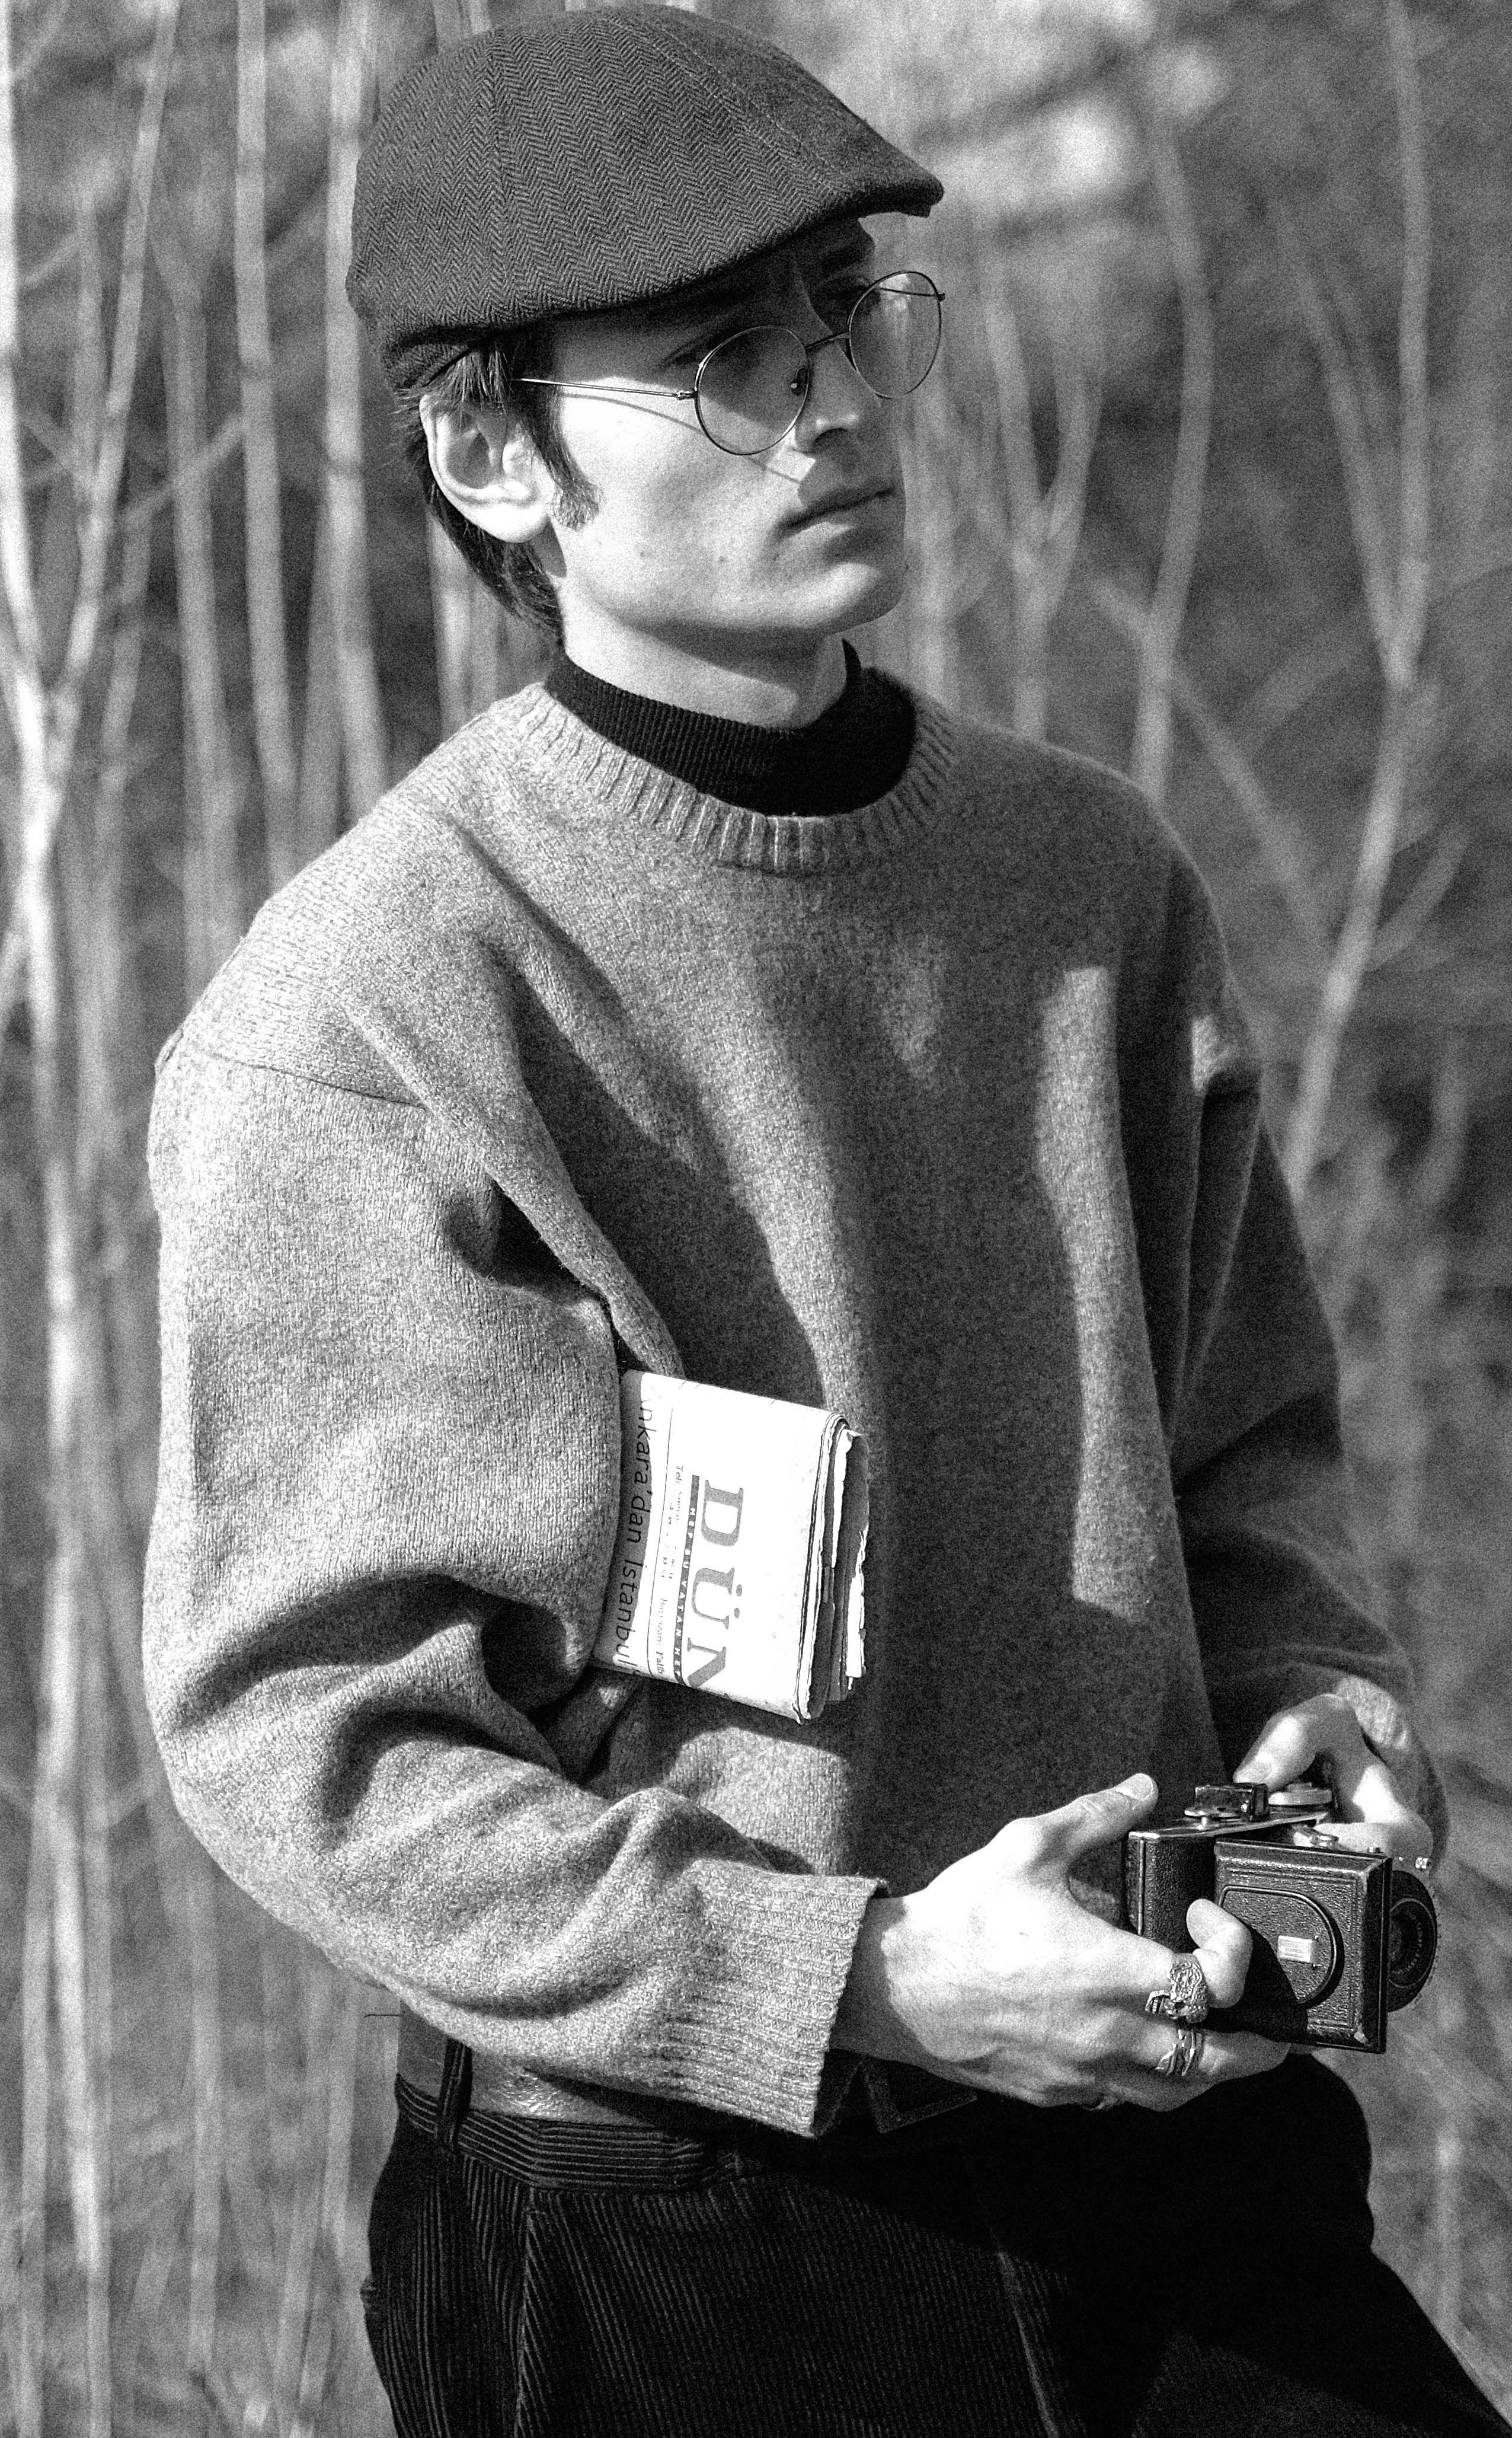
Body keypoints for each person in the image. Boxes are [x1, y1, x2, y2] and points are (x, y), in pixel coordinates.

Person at [141, 9, 1508, 2434]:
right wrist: (855, 1966)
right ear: (490, 450)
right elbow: (311, 1740)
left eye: (845, 318)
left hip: (1174, 2130)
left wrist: (1320, 1694)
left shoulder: (1088, 880)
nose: (833, 403)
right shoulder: (368, 1010)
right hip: (683, 2225)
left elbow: (1246, 1459)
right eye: (718, 358)